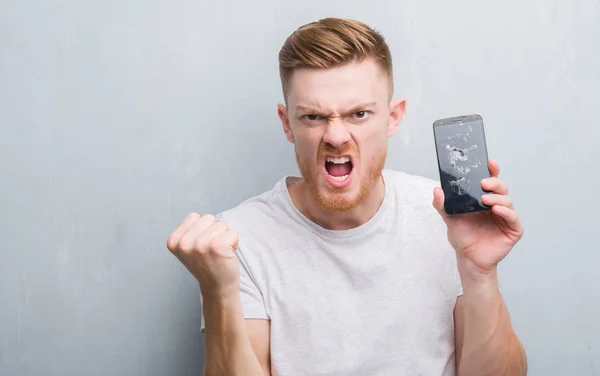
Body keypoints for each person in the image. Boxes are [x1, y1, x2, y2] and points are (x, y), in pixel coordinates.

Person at [166, 17, 527, 376]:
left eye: (359, 114)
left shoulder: (445, 218)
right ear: (286, 122)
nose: (336, 136)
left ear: (392, 117)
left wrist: (479, 273)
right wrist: (220, 294)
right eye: (312, 116)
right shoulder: (238, 240)